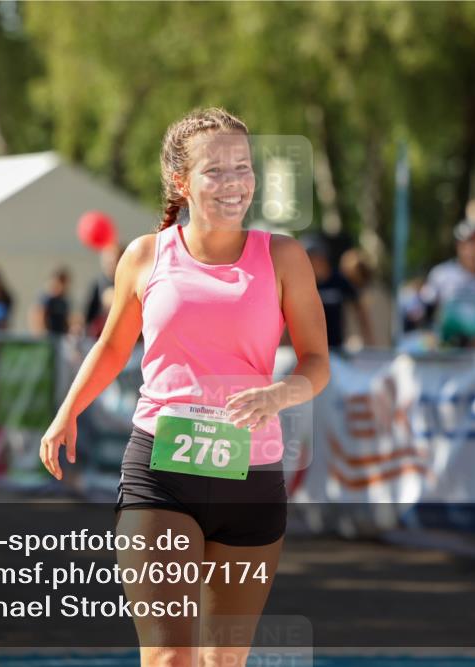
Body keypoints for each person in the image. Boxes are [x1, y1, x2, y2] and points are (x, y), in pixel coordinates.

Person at [39, 107, 330, 667]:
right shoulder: (145, 256)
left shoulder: (284, 257)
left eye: (242, 167)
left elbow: (317, 362)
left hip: (251, 477)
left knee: (223, 662)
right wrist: (66, 412)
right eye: (214, 170)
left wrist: (278, 395)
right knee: (170, 658)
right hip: (160, 473)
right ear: (182, 182)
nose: (233, 182)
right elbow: (112, 347)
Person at [421, 219, 475, 347]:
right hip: (444, 349)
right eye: (466, 243)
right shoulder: (441, 275)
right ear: (458, 245)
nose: (470, 249)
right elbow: (425, 311)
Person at [302, 235, 368, 350]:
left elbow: (359, 309)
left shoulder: (339, 280)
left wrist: (367, 338)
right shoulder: (304, 283)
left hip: (337, 346)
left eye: (312, 258)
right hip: (309, 348)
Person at [85, 242, 124, 339]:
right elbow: (89, 315)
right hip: (101, 335)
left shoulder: (127, 283)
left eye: (114, 261)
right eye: (108, 262)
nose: (110, 266)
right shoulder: (98, 284)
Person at [32, 267, 72, 336]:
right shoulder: (45, 299)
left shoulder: (63, 301)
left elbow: (66, 320)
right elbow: (38, 316)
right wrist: (41, 333)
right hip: (48, 336)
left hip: (60, 335)